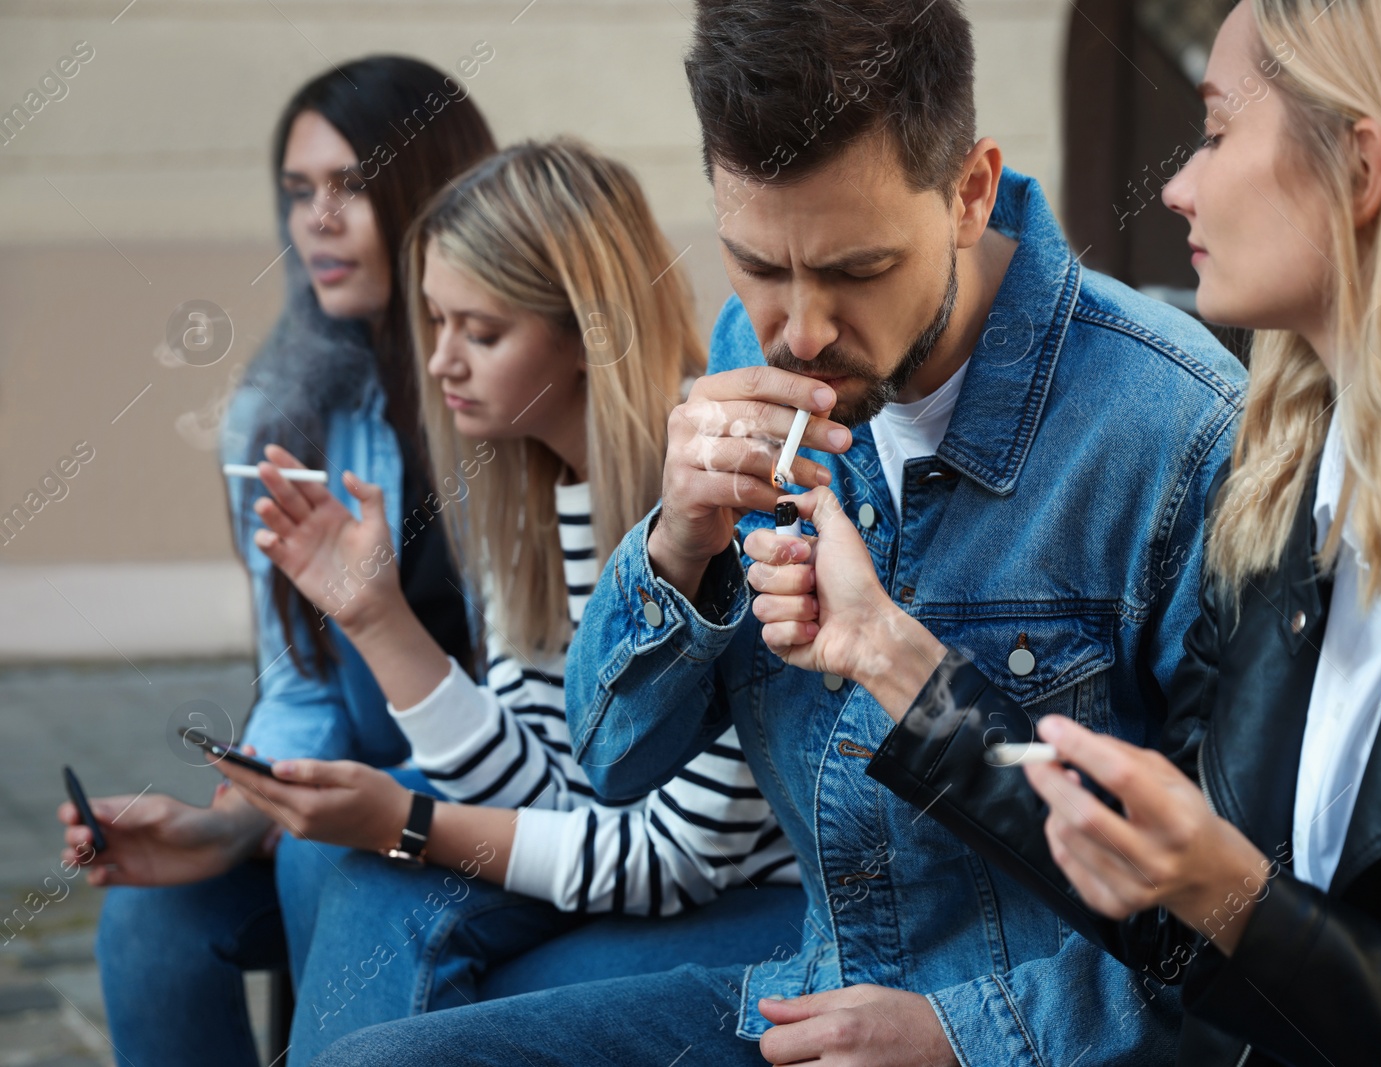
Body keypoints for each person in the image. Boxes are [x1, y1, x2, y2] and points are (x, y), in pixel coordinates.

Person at [314, 1, 1247, 1064]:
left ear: (969, 191)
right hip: (805, 994)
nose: (800, 328)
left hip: (1033, 1037)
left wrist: (961, 1033)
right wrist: (675, 542)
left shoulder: (1174, 429)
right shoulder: (743, 358)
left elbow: (1236, 924)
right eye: (756, 265)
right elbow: (612, 758)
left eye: (855, 271)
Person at [781, 1, 1381, 1064]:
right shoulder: (1286, 485)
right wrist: (881, 649)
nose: (1177, 185)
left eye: (1216, 133)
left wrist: (1232, 896)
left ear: (1361, 170)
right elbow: (1162, 894)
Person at [214, 139, 805, 1065]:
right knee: (352, 873)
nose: (441, 361)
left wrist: (407, 821)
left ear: (584, 335)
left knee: (407, 906)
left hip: (769, 911)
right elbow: (555, 790)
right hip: (657, 883)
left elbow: (674, 858)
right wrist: (373, 615)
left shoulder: (708, 492)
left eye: (479, 333)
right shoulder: (533, 491)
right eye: (436, 322)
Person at [57, 56, 495, 1067]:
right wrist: (244, 799)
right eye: (298, 193)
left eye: (350, 185)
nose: (317, 221)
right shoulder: (276, 411)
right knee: (147, 919)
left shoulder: (510, 383)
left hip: (509, 778)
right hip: (360, 770)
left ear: (429, 185)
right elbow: (299, 677)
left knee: (318, 850)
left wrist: (315, 805)